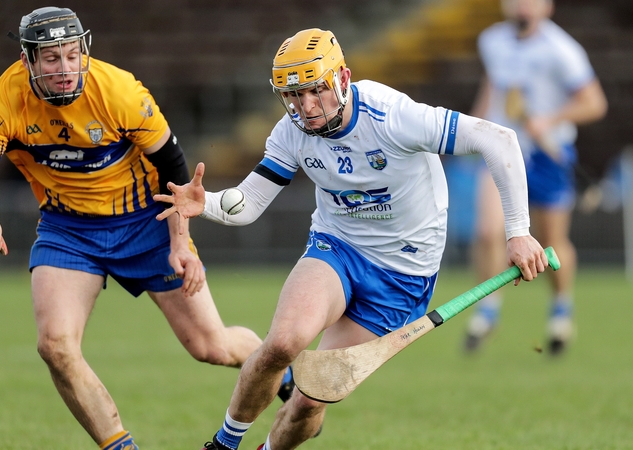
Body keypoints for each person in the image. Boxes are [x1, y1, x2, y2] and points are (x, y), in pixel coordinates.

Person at [154, 28, 549, 450]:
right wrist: (208, 203)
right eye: (293, 95)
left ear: (343, 78)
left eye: (316, 90)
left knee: (310, 399)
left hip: (402, 275)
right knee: (281, 344)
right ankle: (223, 444)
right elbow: (248, 203)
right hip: (337, 248)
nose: (306, 107)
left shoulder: (392, 116)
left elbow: (498, 139)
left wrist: (518, 232)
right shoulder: (292, 132)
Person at [0, 7, 293, 450]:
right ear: (27, 60)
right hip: (67, 230)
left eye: (72, 55)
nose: (64, 69)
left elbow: (174, 169)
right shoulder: (3, 102)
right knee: (55, 345)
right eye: (51, 59)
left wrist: (181, 243)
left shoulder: (118, 90)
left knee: (212, 346)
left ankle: (284, 372)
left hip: (146, 222)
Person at [463, 0, 607, 355]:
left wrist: (550, 119)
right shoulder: (491, 40)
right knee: (488, 231)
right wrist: (469, 129)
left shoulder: (562, 50)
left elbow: (594, 103)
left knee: (550, 241)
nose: (522, 5)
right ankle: (488, 310)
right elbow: (493, 88)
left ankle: (561, 309)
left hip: (548, 153)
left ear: (548, 7)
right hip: (502, 148)